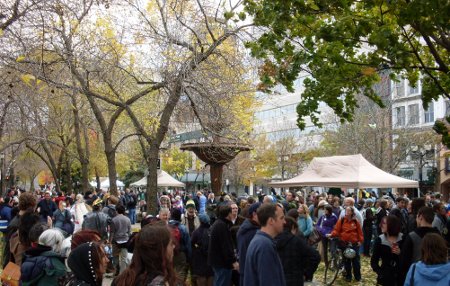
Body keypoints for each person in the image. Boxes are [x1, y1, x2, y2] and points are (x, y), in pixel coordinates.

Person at [112, 223, 178, 286]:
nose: (174, 246)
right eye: (171, 244)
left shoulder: (120, 280)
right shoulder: (164, 282)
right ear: (160, 251)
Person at [244, 203, 286, 286]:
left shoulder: (261, 241)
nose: (285, 222)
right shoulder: (264, 246)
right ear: (271, 221)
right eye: (281, 218)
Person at [399, 206, 440, 285]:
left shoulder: (411, 236)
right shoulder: (439, 236)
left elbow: (404, 262)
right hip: (438, 276)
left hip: (417, 277)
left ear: (420, 217)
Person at [276, 216, 320, 286]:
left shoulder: (272, 239)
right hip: (295, 279)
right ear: (293, 227)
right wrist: (307, 273)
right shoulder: (297, 241)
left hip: (277, 279)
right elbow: (315, 256)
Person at [328, 206, 364, 282]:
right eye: (345, 210)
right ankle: (348, 276)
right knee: (347, 260)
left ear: (351, 212)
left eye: (348, 211)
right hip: (344, 243)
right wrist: (331, 235)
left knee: (356, 261)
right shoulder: (341, 220)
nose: (346, 212)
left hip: (354, 244)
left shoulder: (355, 221)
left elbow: (360, 232)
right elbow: (336, 230)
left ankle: (358, 276)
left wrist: (360, 241)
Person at [208, 204, 238, 286]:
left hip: (218, 262)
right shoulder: (222, 226)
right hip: (222, 263)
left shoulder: (219, 223)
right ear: (228, 214)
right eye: (232, 212)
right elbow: (226, 246)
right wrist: (233, 261)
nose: (234, 214)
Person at [371, 215, 404, 286]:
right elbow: (374, 261)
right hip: (385, 278)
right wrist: (381, 273)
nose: (380, 225)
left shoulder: (403, 238)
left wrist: (400, 253)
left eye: (384, 223)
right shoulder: (380, 240)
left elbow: (408, 258)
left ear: (392, 225)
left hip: (400, 277)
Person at [236, 202, 261, 285]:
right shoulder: (249, 231)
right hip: (249, 274)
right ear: (254, 214)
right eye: (262, 212)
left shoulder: (251, 228)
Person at [191, 213, 214, 286]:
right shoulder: (212, 231)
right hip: (211, 263)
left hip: (200, 264)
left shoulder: (196, 232)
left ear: (200, 221)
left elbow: (191, 244)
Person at [109, 204, 131, 275]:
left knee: (115, 257)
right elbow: (129, 231)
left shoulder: (114, 220)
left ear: (117, 211)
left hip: (116, 241)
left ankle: (116, 271)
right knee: (124, 258)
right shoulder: (128, 219)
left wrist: (109, 242)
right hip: (125, 240)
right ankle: (123, 273)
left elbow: (112, 232)